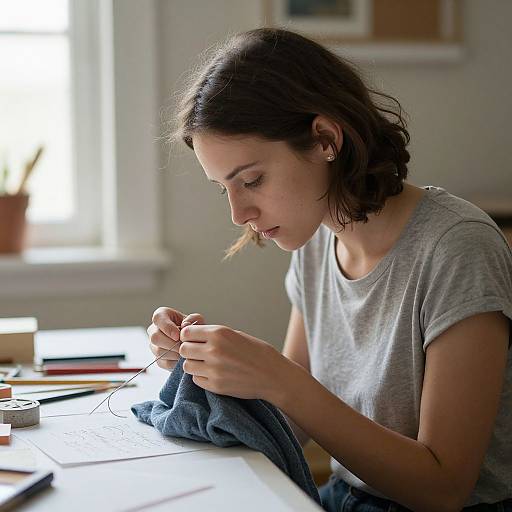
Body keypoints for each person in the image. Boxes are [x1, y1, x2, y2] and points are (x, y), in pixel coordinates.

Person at [146, 28, 512, 511]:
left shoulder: (458, 246)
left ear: (324, 138)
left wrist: (281, 380)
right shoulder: (317, 242)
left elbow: (443, 487)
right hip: (345, 499)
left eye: (252, 180)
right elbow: (292, 427)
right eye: (224, 188)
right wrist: (209, 372)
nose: (238, 214)